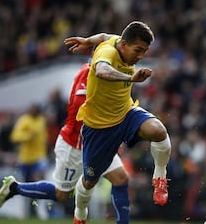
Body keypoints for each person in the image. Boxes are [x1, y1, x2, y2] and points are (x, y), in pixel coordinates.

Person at [0, 62, 131, 223]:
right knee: (62, 195)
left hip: (97, 146)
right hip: (74, 148)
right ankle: (15, 188)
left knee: (121, 178)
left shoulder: (112, 74)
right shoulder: (88, 73)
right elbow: (82, 108)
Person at [64, 21, 172, 224]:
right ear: (124, 45)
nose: (140, 56)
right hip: (99, 127)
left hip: (125, 114)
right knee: (89, 181)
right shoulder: (106, 54)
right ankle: (80, 214)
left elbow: (105, 35)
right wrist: (130, 79)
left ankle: (160, 179)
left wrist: (87, 40)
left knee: (158, 131)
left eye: (145, 51)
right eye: (138, 50)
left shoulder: (116, 41)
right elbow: (102, 71)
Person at [7, 103, 49, 218]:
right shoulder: (24, 120)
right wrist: (27, 136)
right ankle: (24, 211)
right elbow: (14, 136)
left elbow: (43, 136)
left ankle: (41, 210)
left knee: (40, 179)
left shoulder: (41, 120)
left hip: (39, 156)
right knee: (24, 184)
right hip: (25, 158)